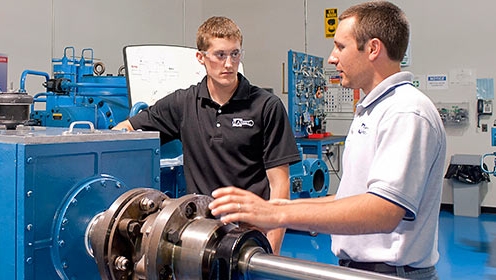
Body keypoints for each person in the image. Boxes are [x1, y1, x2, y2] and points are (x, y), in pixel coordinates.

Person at [208, 2, 445, 279]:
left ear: (372, 49)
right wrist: (275, 207)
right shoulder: (373, 109)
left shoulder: (405, 111)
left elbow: (384, 210)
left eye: (340, 47)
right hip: (360, 269)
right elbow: (351, 199)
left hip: (391, 273)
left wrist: (279, 216)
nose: (332, 58)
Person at [113, 16, 300, 254]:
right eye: (220, 55)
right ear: (201, 57)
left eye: (235, 54)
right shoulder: (183, 104)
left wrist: (272, 249)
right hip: (199, 235)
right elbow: (128, 127)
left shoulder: (266, 106)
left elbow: (279, 184)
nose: (229, 64)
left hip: (252, 234)